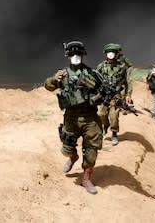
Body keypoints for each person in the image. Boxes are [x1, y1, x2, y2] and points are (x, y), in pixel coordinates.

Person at [44, 40, 102, 194]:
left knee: (91, 150)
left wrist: (103, 98)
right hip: (71, 117)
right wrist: (54, 79)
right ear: (68, 56)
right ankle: (73, 157)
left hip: (90, 117)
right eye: (72, 54)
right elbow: (48, 86)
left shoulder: (92, 74)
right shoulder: (62, 74)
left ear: (83, 55)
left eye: (78, 54)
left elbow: (103, 93)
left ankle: (86, 178)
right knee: (67, 147)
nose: (75, 56)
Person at [96, 43, 133, 146]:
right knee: (101, 113)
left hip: (116, 95)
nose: (111, 54)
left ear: (117, 54)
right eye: (109, 52)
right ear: (106, 54)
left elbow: (128, 81)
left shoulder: (122, 67)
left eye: (113, 52)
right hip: (104, 95)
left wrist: (128, 95)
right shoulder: (101, 66)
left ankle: (114, 133)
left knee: (113, 116)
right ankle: (105, 125)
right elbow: (95, 79)